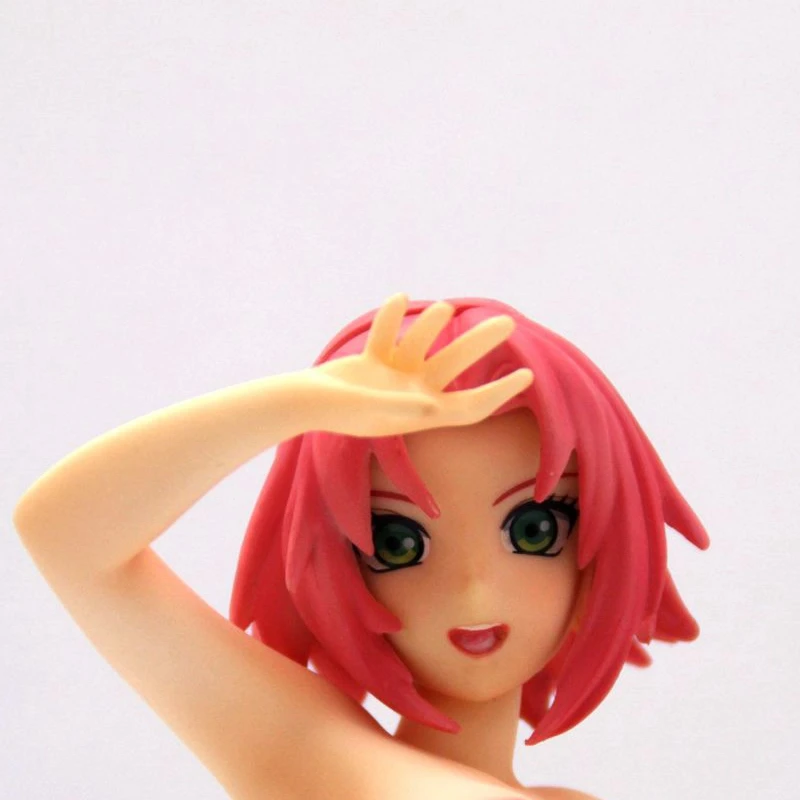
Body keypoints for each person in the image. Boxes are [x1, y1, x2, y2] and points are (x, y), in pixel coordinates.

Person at [14, 294, 708, 800]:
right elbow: (69, 539)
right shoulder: (316, 758)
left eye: (535, 531)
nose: (473, 590)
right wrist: (299, 404)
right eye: (398, 543)